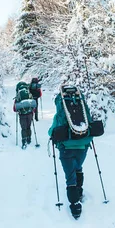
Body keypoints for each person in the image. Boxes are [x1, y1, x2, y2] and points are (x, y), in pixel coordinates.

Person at [48, 85, 93, 219]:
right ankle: (79, 193)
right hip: (83, 147)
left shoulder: (61, 113)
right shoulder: (83, 110)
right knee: (78, 168)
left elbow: (52, 131)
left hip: (66, 149)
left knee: (70, 177)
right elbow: (89, 126)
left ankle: (75, 207)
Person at [14, 81, 37, 149]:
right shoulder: (29, 94)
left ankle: (24, 142)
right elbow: (33, 104)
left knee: (23, 128)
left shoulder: (18, 95)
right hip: (30, 114)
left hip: (22, 115)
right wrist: (32, 111)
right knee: (28, 126)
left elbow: (14, 109)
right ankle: (29, 139)